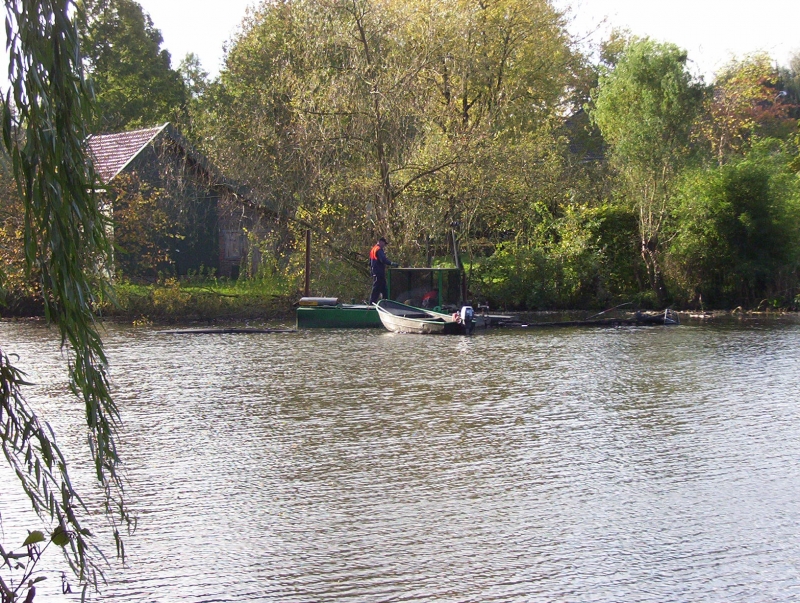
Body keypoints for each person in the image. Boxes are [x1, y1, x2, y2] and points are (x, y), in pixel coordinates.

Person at [369, 237, 398, 304]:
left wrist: (372, 271)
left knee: (384, 289)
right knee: (376, 288)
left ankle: (385, 302)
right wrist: (391, 263)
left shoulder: (373, 249)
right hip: (379, 273)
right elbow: (383, 259)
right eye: (384, 243)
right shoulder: (378, 249)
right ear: (380, 242)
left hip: (376, 272)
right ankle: (372, 303)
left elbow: (370, 262)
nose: (384, 245)